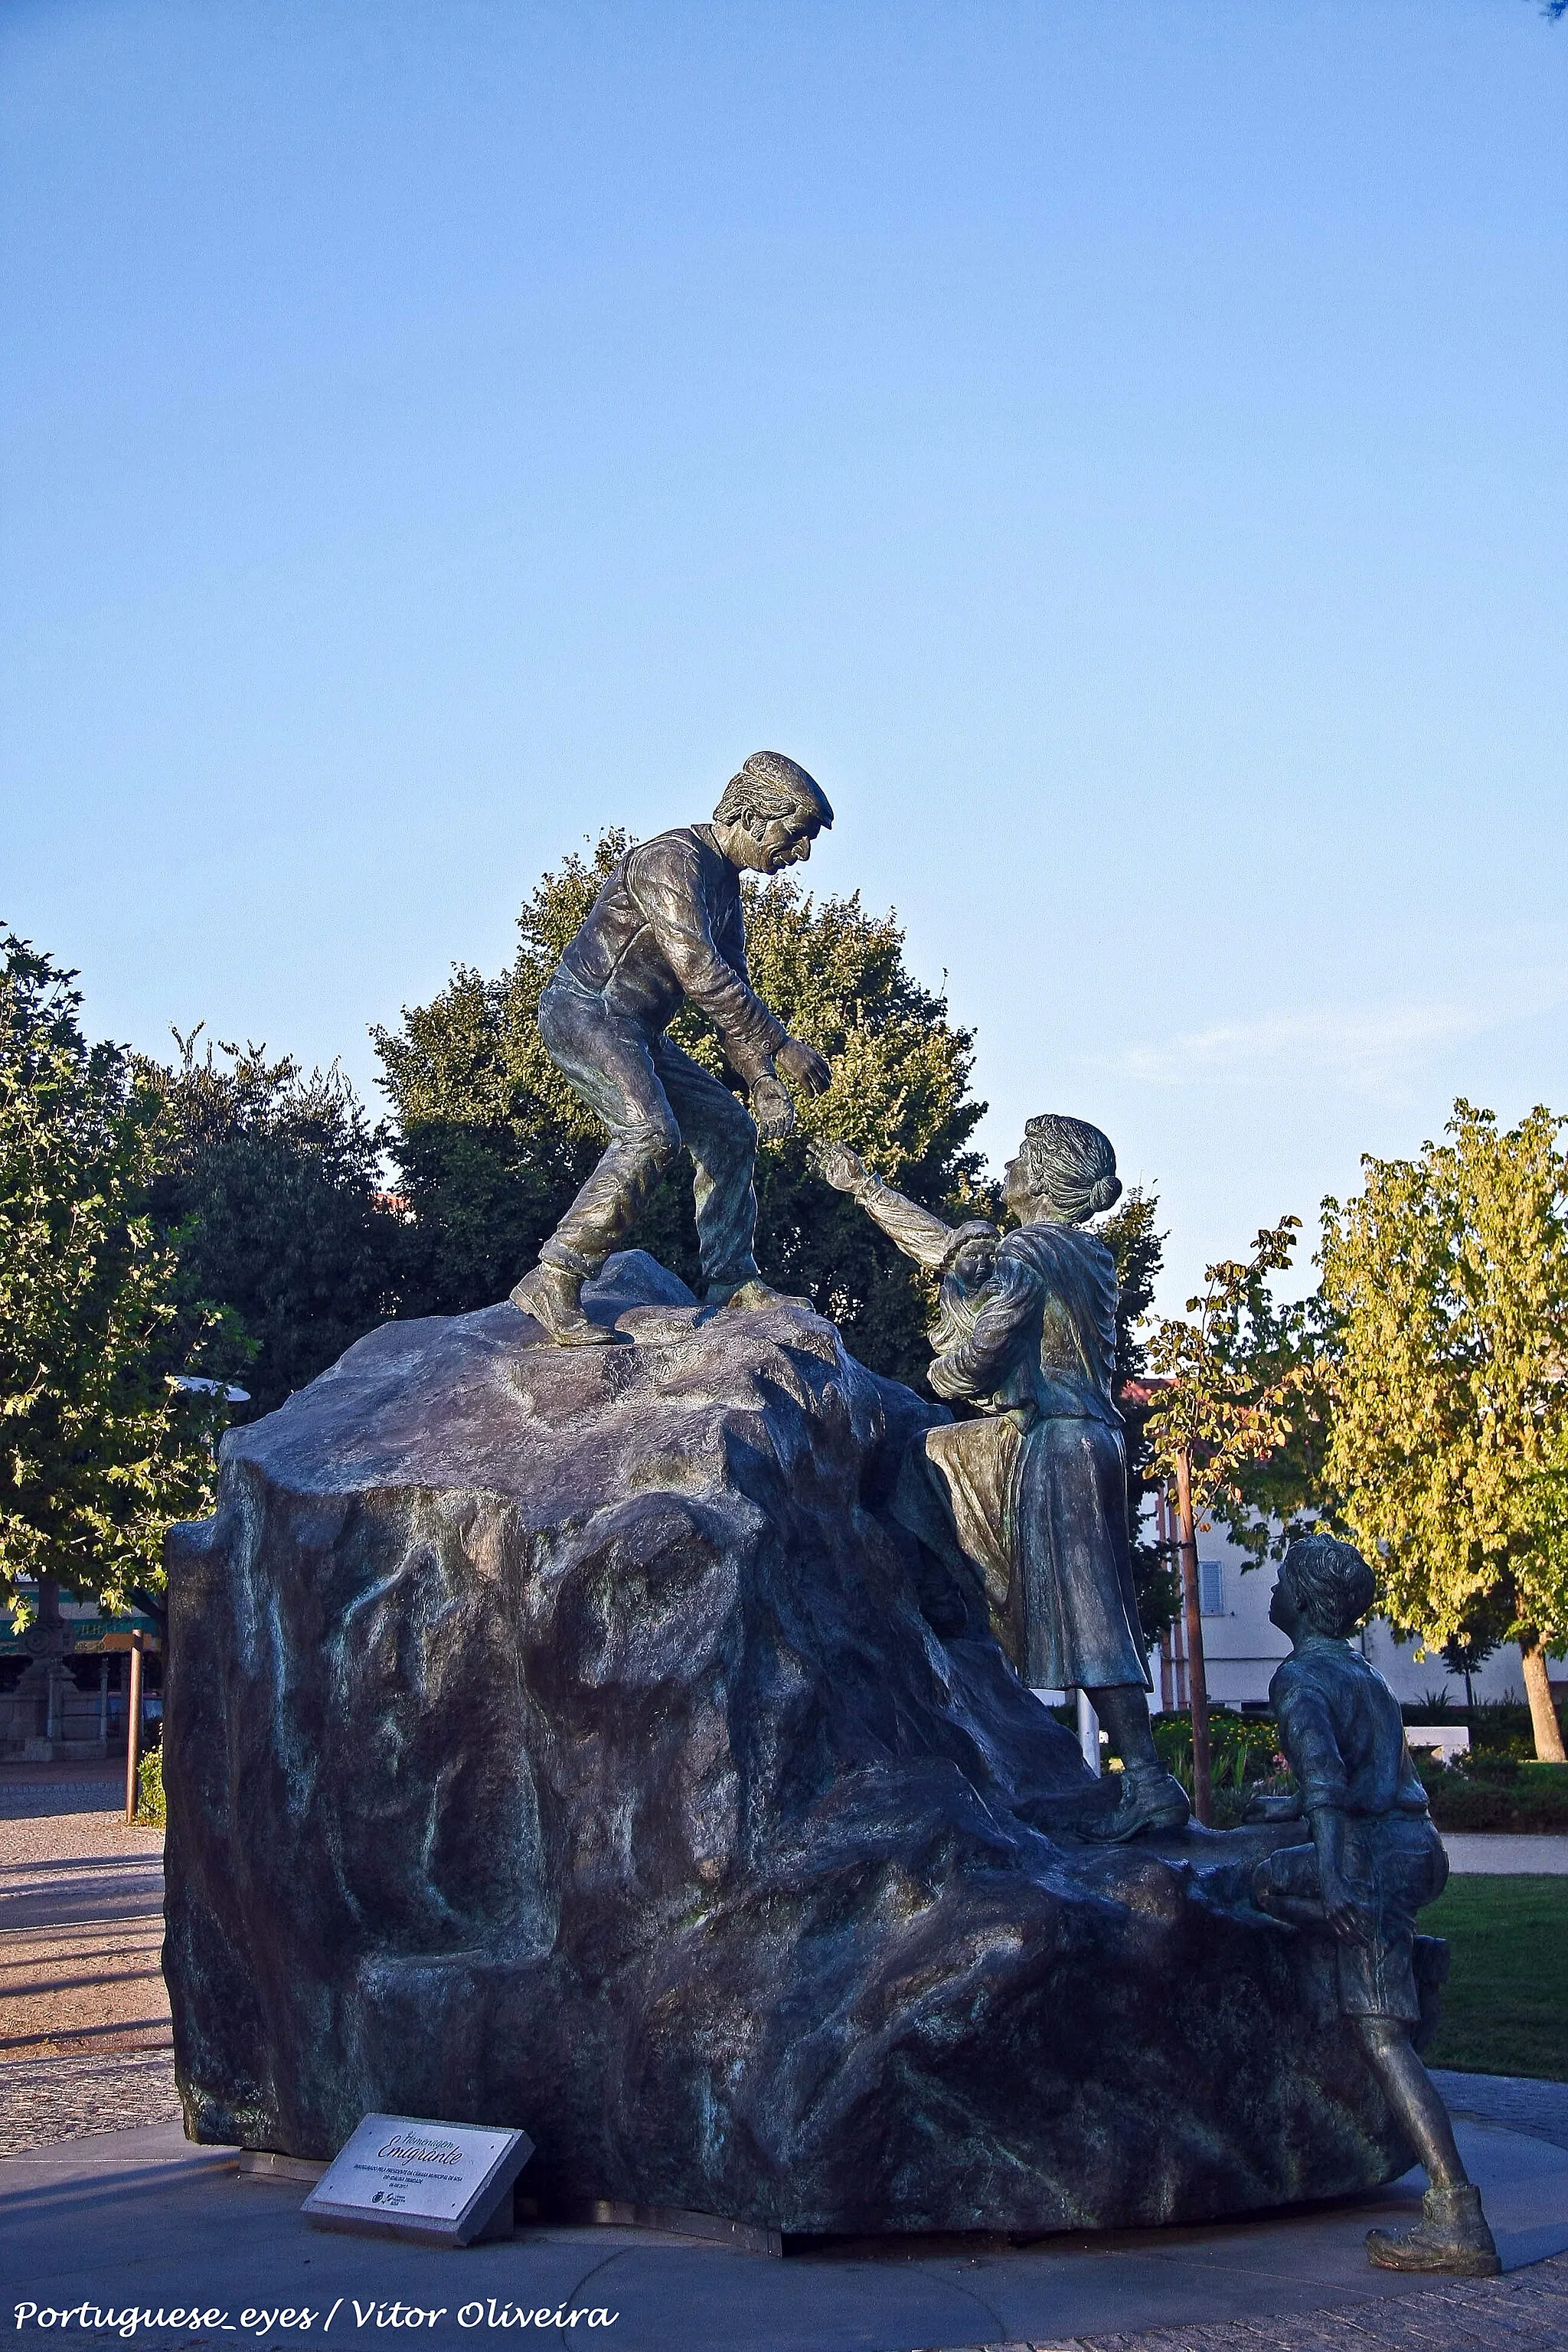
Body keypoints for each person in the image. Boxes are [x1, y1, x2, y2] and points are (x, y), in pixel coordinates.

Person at [817, 1113, 1189, 1841]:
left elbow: (985, 1345)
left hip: (1057, 1445)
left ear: (1046, 1180)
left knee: (1092, 1616)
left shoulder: (1030, 1254)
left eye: (1023, 1157)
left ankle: (1147, 1781)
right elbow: (951, 1255)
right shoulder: (1079, 1253)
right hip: (1085, 1440)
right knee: (933, 1470)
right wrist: (865, 1188)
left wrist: (945, 1367)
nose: (1009, 1166)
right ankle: (952, 1606)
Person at [513, 752, 835, 1344]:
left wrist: (760, 1078)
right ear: (750, 815)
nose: (801, 854)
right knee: (650, 1135)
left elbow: (730, 985)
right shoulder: (672, 861)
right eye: (795, 835)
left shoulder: (725, 888)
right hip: (585, 1014)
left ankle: (730, 1279)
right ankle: (554, 1276)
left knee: (730, 1130)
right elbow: (699, 969)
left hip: (637, 1033)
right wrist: (783, 1044)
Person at [1250, 1533, 1500, 2276]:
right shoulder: (1360, 1674)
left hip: (1369, 1859)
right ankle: (1370, 1957)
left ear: (1298, 1600)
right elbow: (1354, 1776)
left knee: (1382, 2034)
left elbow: (1329, 1792)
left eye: (1278, 1579)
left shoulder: (1297, 1678)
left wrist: (1332, 1882)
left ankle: (1456, 2215)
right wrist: (1282, 1810)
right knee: (1264, 1883)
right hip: (1412, 1844)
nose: (1270, 1590)